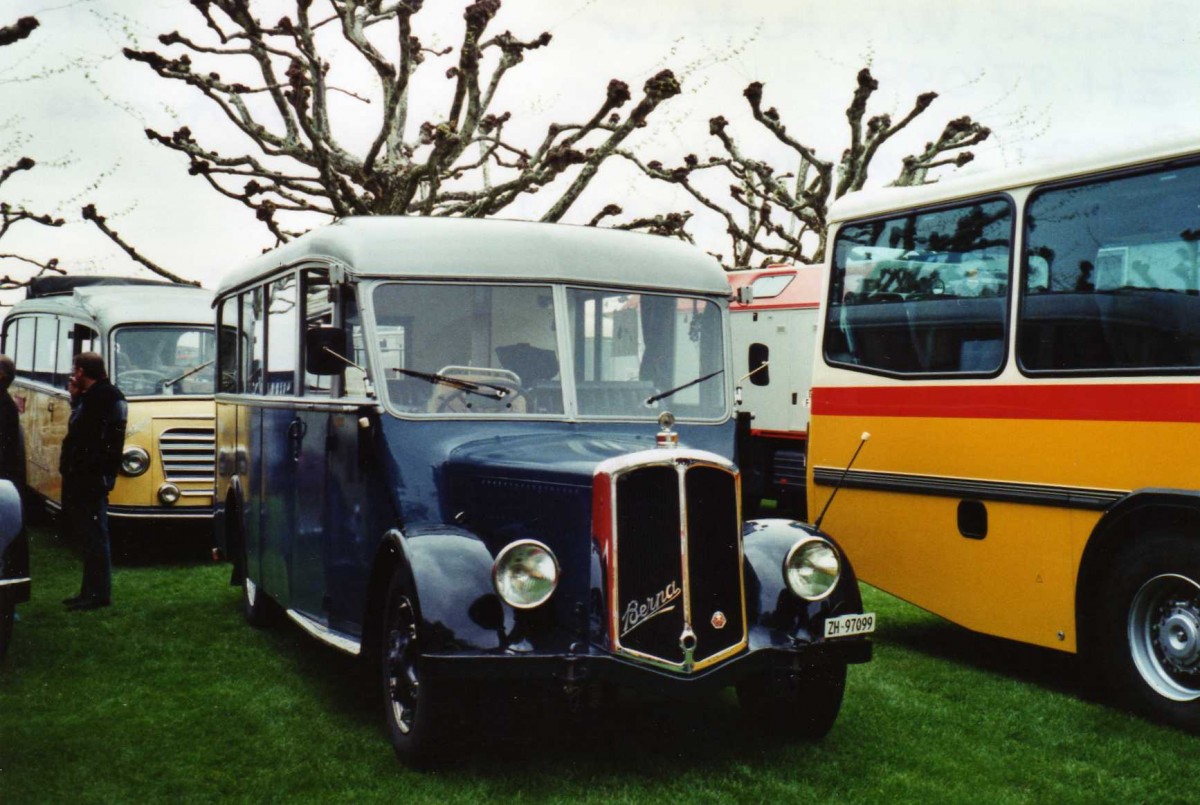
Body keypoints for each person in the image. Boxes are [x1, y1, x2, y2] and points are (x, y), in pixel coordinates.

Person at [60, 352, 127, 611]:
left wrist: (77, 399)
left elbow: (85, 434)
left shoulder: (102, 397)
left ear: (80, 371)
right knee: (89, 536)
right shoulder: (102, 395)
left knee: (95, 536)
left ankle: (98, 594)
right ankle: (89, 591)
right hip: (89, 474)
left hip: (90, 476)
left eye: (75, 370)